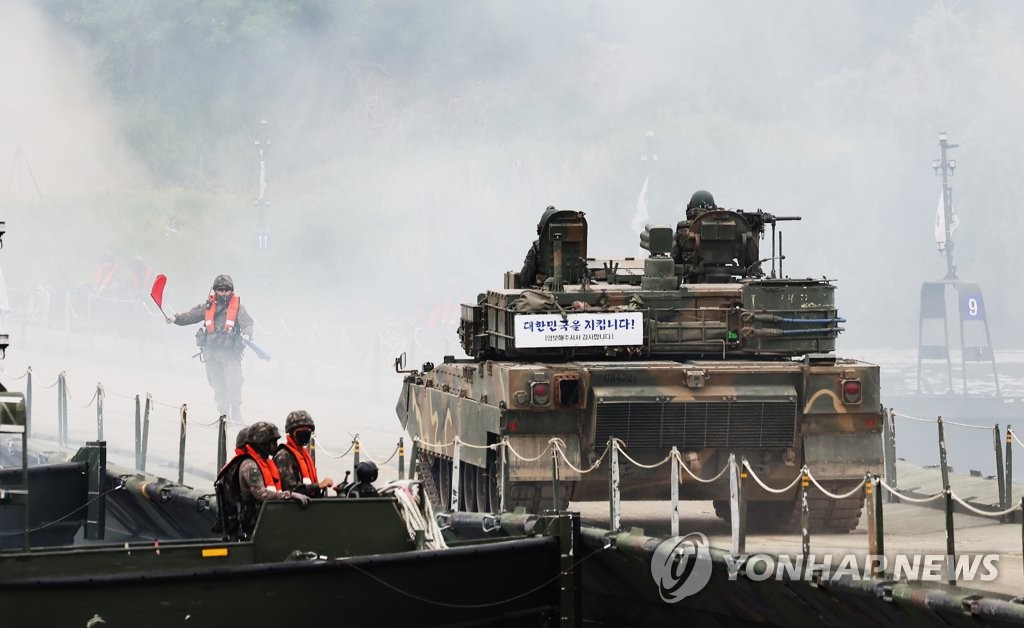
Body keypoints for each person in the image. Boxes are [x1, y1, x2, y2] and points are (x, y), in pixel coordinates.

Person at [168, 274, 254, 421]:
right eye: (220, 289)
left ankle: (236, 411)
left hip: (230, 354)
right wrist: (175, 319)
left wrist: (247, 334)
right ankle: (223, 414)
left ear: (231, 290)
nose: (223, 292)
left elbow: (248, 324)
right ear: (215, 290)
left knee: (234, 383)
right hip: (211, 353)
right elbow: (190, 316)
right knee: (217, 384)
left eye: (226, 289)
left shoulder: (238, 308)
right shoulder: (207, 306)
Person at [213, 421, 309, 541]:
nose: (275, 445)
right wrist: (289, 495)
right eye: (271, 442)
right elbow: (262, 494)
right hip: (251, 525)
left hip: (263, 521)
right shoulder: (250, 465)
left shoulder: (265, 463)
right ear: (261, 444)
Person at [273, 410, 334, 497]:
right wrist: (318, 486)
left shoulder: (304, 455)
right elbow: (290, 490)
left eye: (309, 430)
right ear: (293, 432)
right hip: (292, 507)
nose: (307, 432)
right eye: (303, 430)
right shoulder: (284, 456)